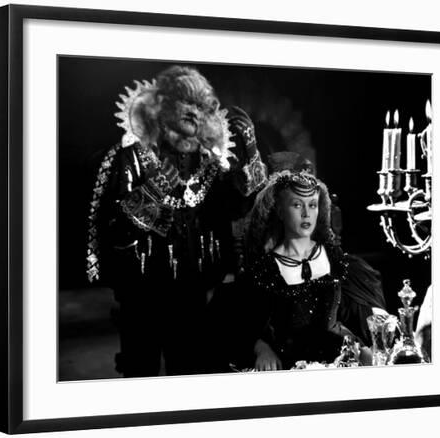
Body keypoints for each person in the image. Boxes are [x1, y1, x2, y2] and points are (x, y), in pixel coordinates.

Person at [85, 65, 268, 377]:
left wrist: (250, 147)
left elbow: (241, 207)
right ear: (162, 106)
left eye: (200, 106)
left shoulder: (213, 165)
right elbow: (112, 230)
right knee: (140, 374)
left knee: (190, 373)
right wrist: (153, 192)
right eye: (186, 102)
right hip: (141, 297)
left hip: (195, 296)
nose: (194, 112)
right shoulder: (128, 159)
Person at [234, 170, 386, 371]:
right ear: (279, 211)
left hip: (341, 358)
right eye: (297, 205)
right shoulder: (264, 269)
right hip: (292, 364)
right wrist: (261, 348)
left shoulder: (334, 257)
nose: (306, 213)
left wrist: (371, 326)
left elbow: (356, 307)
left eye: (312, 205)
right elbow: (243, 323)